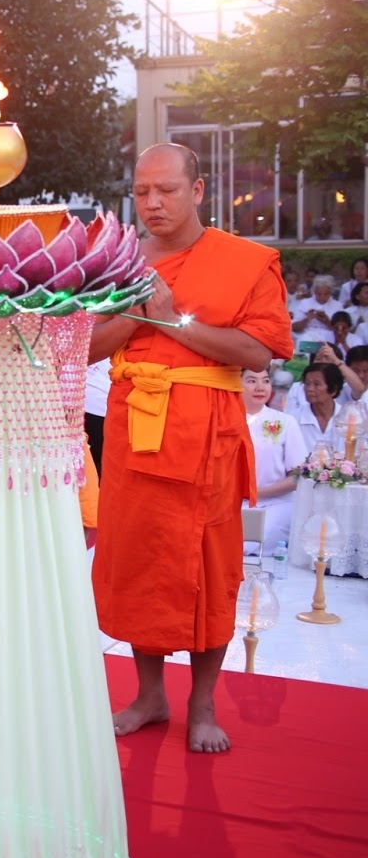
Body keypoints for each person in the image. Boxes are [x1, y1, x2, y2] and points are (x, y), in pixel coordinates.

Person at [90, 143, 292, 754]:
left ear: (198, 191)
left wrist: (176, 319)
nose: (152, 203)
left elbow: (259, 352)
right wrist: (137, 317)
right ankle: (149, 695)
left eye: (167, 190)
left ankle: (202, 704)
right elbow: (87, 346)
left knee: (209, 567)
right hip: (135, 430)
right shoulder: (118, 260)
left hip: (208, 437)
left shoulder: (244, 261)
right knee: (139, 561)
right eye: (141, 192)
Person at [243, 367, 307, 555]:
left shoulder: (285, 422)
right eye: (252, 381)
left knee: (249, 543)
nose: (260, 387)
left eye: (265, 381)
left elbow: (297, 476)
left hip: (276, 504)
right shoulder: (224, 420)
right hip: (231, 503)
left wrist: (256, 493)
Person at [286, 362, 345, 454]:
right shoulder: (293, 419)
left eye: (316, 384)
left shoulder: (348, 419)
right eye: (307, 383)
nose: (310, 389)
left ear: (333, 389)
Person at [289, 274, 336, 344]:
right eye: (319, 294)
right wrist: (308, 318)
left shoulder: (337, 305)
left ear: (330, 293)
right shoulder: (305, 303)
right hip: (307, 334)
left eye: (326, 294)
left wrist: (326, 321)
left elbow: (339, 329)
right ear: (314, 292)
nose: (322, 297)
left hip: (328, 335)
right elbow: (294, 327)